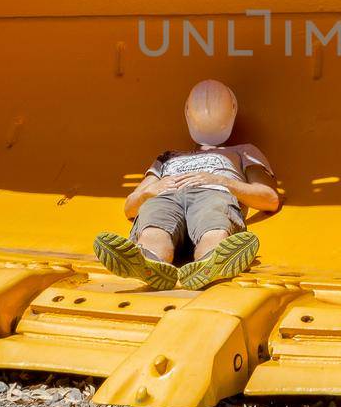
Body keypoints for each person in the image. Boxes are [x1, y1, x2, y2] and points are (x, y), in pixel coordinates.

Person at [92, 80, 280, 290]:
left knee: (213, 219)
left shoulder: (242, 151)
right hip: (166, 195)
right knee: (154, 224)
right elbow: (129, 207)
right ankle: (149, 264)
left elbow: (270, 199)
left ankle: (208, 264)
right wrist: (148, 193)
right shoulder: (168, 157)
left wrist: (221, 181)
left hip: (213, 193)